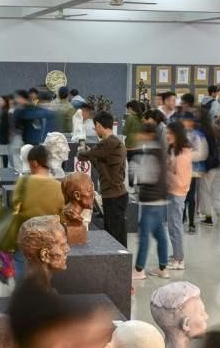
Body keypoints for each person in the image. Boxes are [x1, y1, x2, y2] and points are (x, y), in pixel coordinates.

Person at [11, 145, 65, 281]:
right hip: (49, 237)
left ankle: (23, 290)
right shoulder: (58, 186)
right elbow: (62, 214)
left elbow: (16, 206)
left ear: (34, 163)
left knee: (20, 262)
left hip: (26, 234)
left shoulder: (23, 183)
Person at [77, 112, 128, 247]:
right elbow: (101, 166)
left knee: (114, 237)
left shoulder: (108, 143)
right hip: (114, 195)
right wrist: (91, 154)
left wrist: (84, 151)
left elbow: (82, 156)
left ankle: (119, 259)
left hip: (114, 197)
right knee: (115, 235)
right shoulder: (113, 143)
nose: (95, 130)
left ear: (99, 125)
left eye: (95, 127)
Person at [132, 124, 168, 280]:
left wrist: (134, 166)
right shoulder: (160, 151)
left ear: (149, 135)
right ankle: (163, 268)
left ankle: (139, 270)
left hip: (150, 201)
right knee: (160, 234)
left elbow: (147, 176)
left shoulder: (149, 152)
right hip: (160, 200)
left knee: (144, 236)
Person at [165, 122, 192, 272]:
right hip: (173, 192)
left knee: (175, 226)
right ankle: (176, 254)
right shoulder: (175, 150)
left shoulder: (182, 155)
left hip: (177, 193)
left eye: (170, 133)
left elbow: (180, 180)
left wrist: (166, 172)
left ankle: (179, 259)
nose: (167, 136)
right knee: (172, 226)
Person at [182, 111, 208, 235]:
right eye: (184, 121)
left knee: (191, 196)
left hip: (193, 171)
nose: (186, 123)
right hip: (181, 170)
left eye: (188, 121)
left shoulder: (198, 136)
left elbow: (201, 154)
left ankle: (192, 223)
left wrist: (187, 154)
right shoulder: (180, 134)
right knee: (183, 195)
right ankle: (182, 218)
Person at [198, 109, 220, 226]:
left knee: (205, 191)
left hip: (208, 166)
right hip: (216, 164)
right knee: (212, 192)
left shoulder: (201, 131)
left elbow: (203, 152)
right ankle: (217, 212)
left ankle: (208, 217)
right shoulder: (211, 129)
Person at [0, 95, 13, 168]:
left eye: (0, 100)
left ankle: (5, 169)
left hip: (4, 138)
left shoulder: (5, 112)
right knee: (3, 155)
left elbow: (5, 125)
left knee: (4, 155)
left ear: (5, 102)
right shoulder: (4, 111)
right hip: (3, 137)